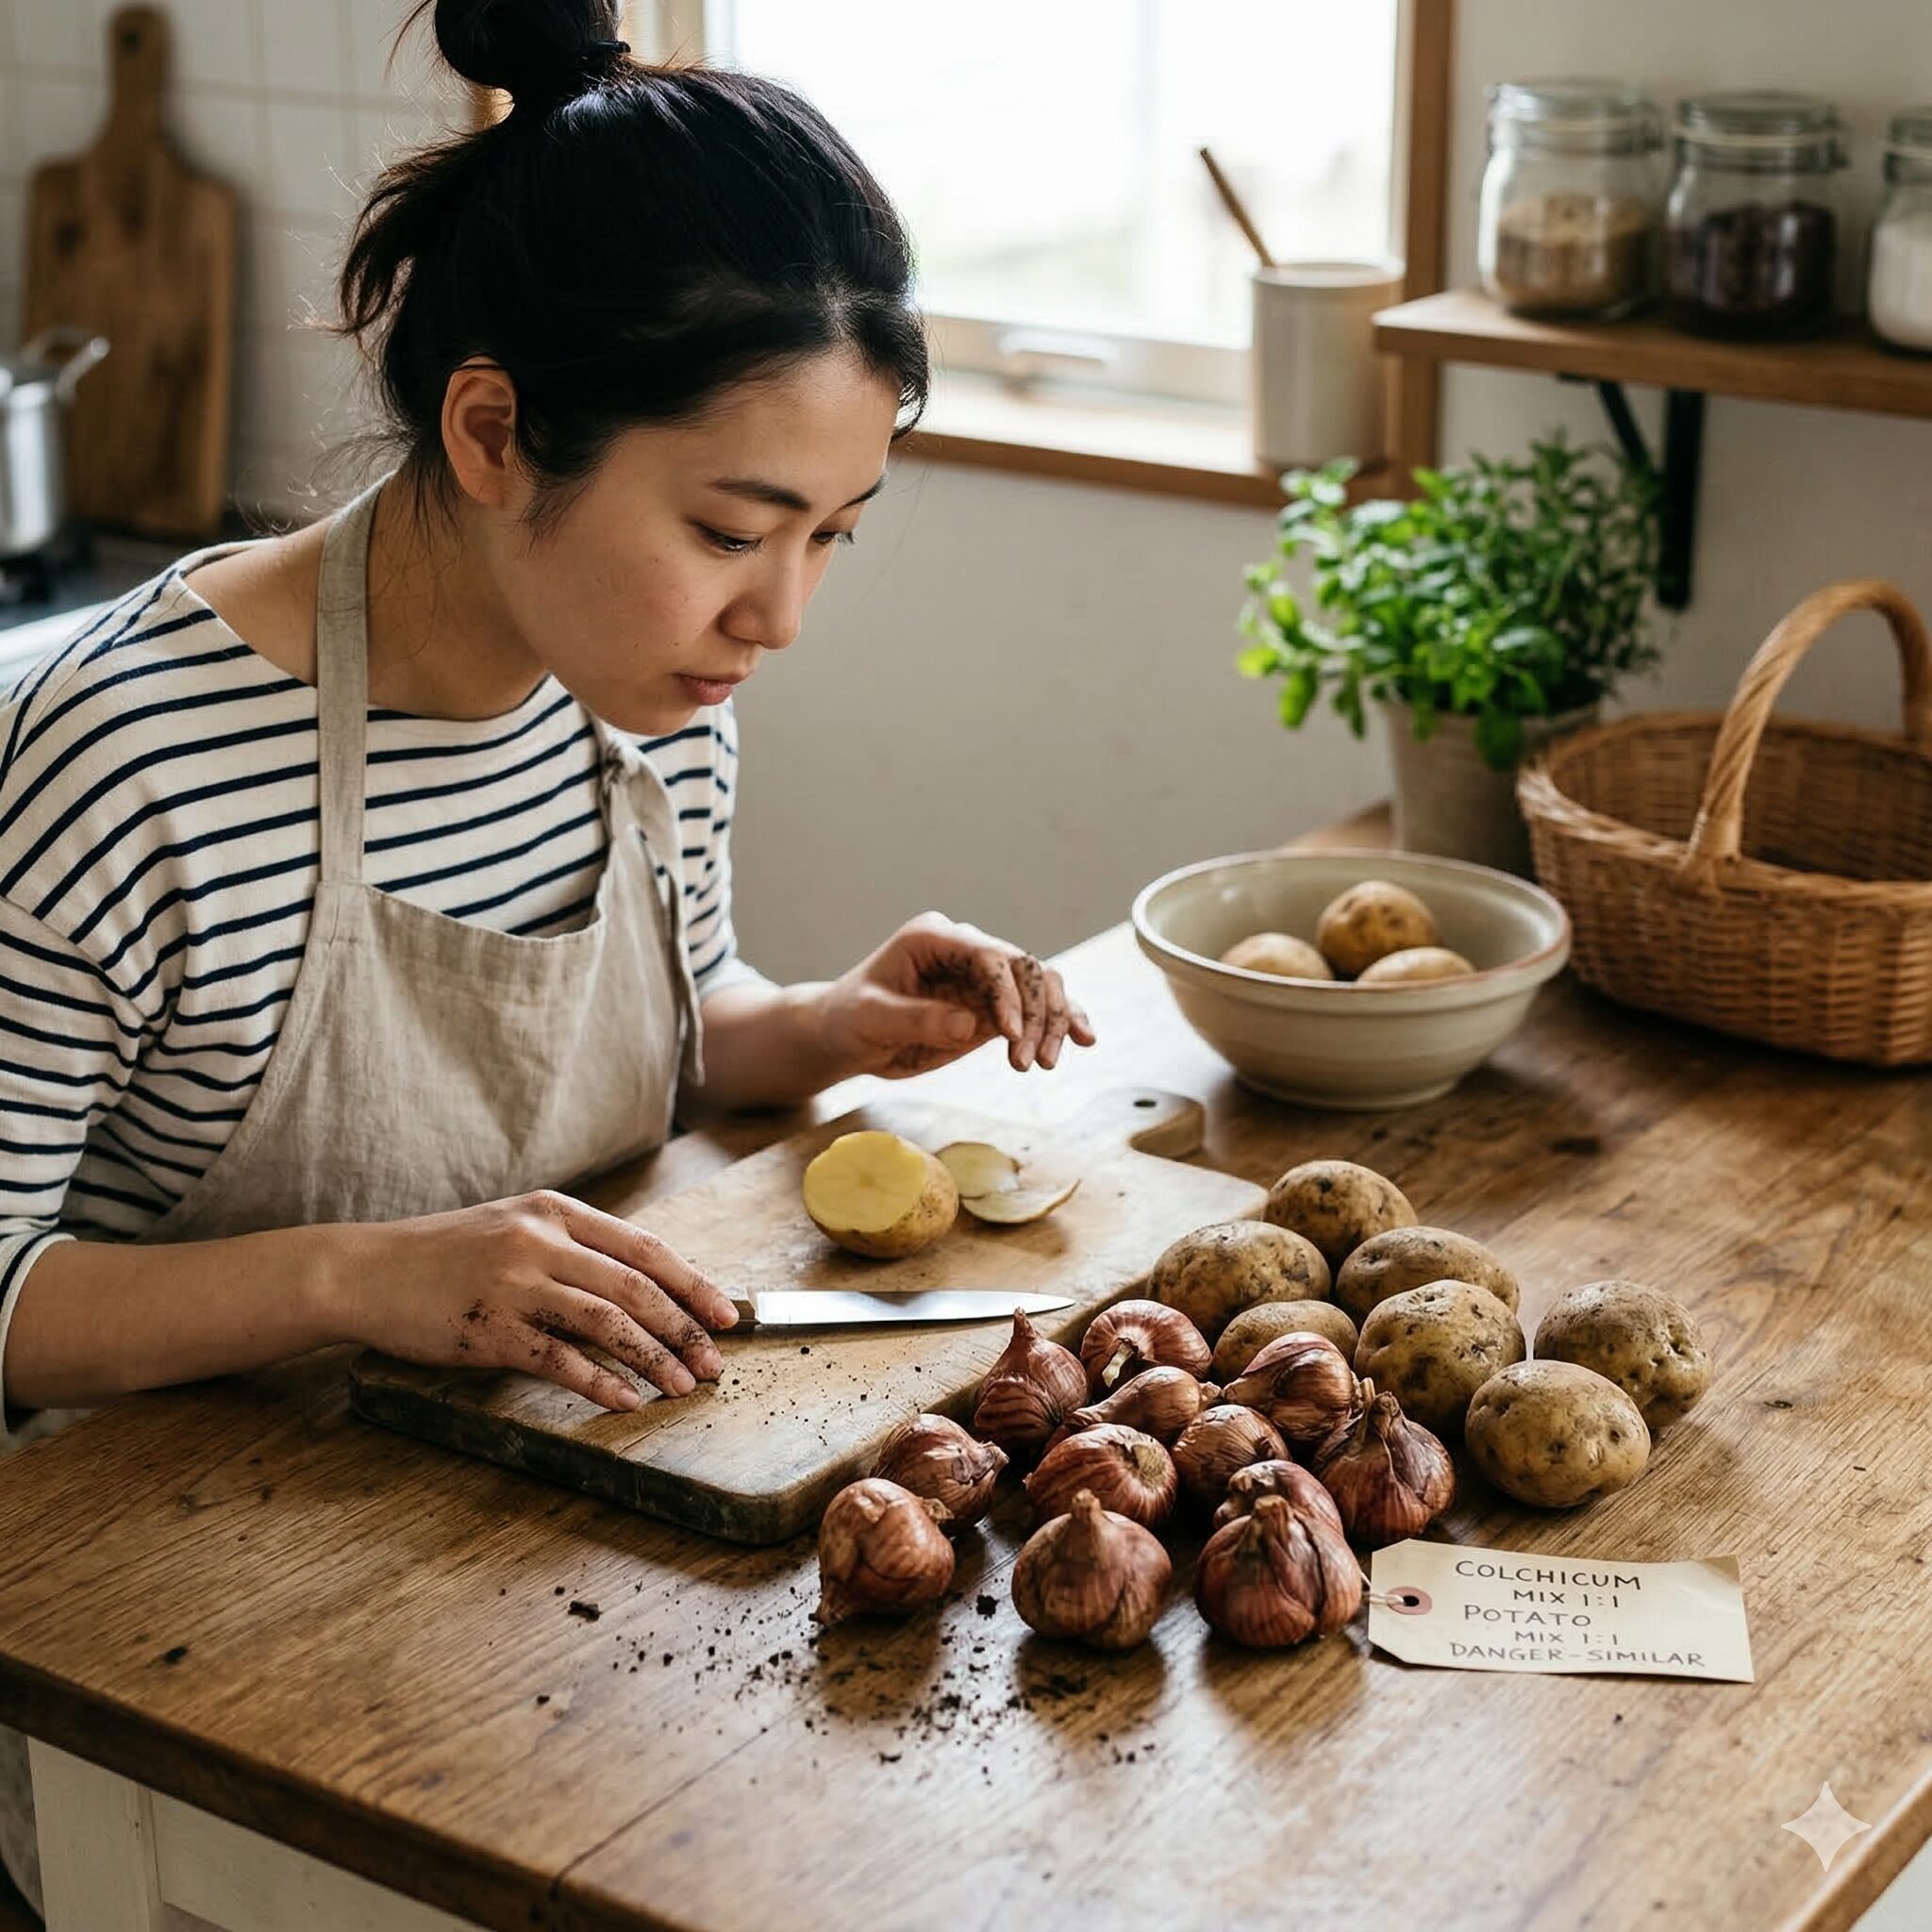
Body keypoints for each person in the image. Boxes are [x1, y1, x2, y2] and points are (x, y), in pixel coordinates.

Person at [0, 1, 1092, 1910]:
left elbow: (657, 1042)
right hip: (165, 1621)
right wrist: (365, 1278)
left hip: (545, 1548)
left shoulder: (652, 691)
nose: (783, 615)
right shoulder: (133, 760)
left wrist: (827, 1025)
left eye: (834, 535)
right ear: (493, 428)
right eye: (733, 529)